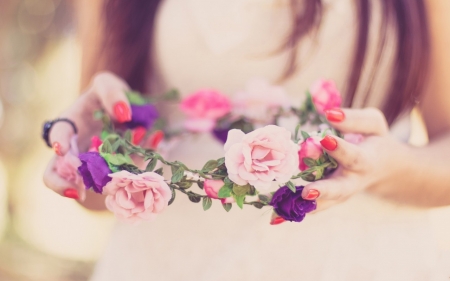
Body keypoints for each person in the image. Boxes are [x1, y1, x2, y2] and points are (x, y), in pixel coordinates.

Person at [43, 0, 450, 280]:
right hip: (165, 264)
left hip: (361, 263)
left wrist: (382, 167)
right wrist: (91, 155)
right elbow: (97, 198)